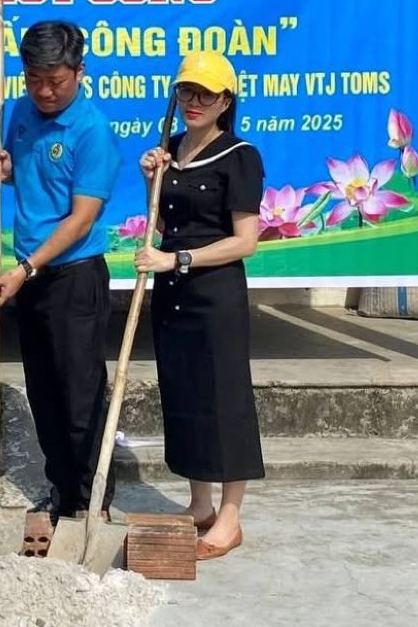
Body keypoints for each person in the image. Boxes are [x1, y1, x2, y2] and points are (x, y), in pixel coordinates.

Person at [0, 21, 124, 522]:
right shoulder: (18, 111)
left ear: (79, 73)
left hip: (72, 274)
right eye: (34, 79)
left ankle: (93, 501)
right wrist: (7, 170)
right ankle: (62, 492)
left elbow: (81, 216)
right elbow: (32, 176)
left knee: (79, 393)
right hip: (33, 274)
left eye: (55, 82)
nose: (43, 92)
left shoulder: (92, 131)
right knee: (42, 391)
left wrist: (26, 266)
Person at [135, 50, 265, 560]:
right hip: (174, 296)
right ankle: (199, 504)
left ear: (225, 101)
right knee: (185, 395)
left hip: (216, 296)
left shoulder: (240, 156)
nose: (193, 102)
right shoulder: (169, 151)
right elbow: (163, 226)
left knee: (224, 401)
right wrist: (151, 179)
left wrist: (176, 261)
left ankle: (230, 518)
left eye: (205, 95)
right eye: (186, 91)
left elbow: (244, 241)